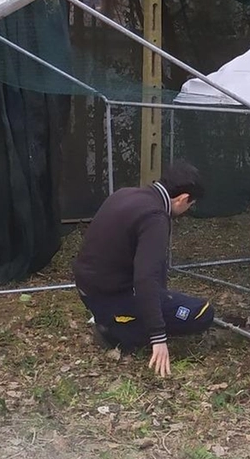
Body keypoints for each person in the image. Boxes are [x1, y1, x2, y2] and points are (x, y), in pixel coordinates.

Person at [73, 161, 213, 378]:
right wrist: (158, 336)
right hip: (112, 294)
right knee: (202, 313)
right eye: (190, 205)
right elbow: (145, 278)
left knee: (164, 298)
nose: (188, 210)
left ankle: (112, 317)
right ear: (183, 199)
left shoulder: (125, 194)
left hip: (88, 287)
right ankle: (116, 330)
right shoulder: (155, 217)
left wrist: (161, 296)